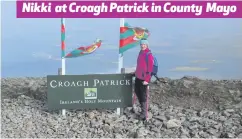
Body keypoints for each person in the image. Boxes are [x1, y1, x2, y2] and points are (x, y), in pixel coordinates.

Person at [134, 39, 154, 121]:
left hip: (144, 79)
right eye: (141, 44)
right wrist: (135, 72)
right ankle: (143, 111)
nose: (142, 46)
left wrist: (147, 79)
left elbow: (150, 69)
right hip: (138, 77)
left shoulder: (148, 55)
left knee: (143, 96)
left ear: (147, 45)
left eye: (144, 44)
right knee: (137, 92)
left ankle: (144, 114)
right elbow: (139, 65)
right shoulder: (140, 53)